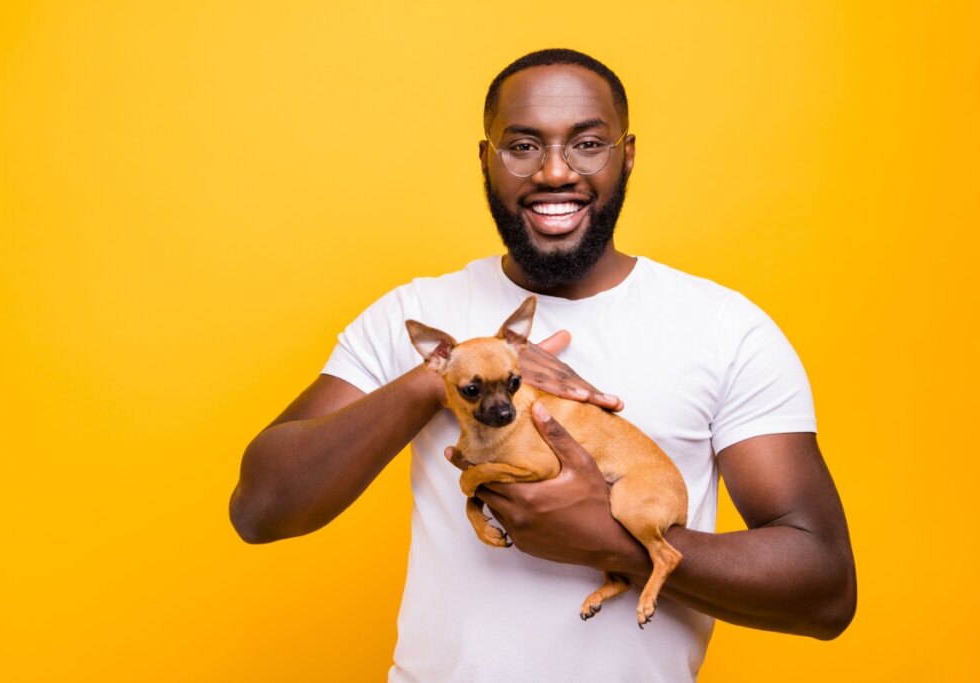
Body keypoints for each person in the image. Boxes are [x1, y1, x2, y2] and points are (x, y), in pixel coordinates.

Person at [229, 48, 856, 682]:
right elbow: (263, 508)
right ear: (486, 160)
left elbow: (825, 591)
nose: (555, 172)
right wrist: (440, 378)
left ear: (627, 154)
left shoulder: (725, 329)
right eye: (523, 146)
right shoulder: (417, 314)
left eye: (588, 144)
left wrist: (610, 542)